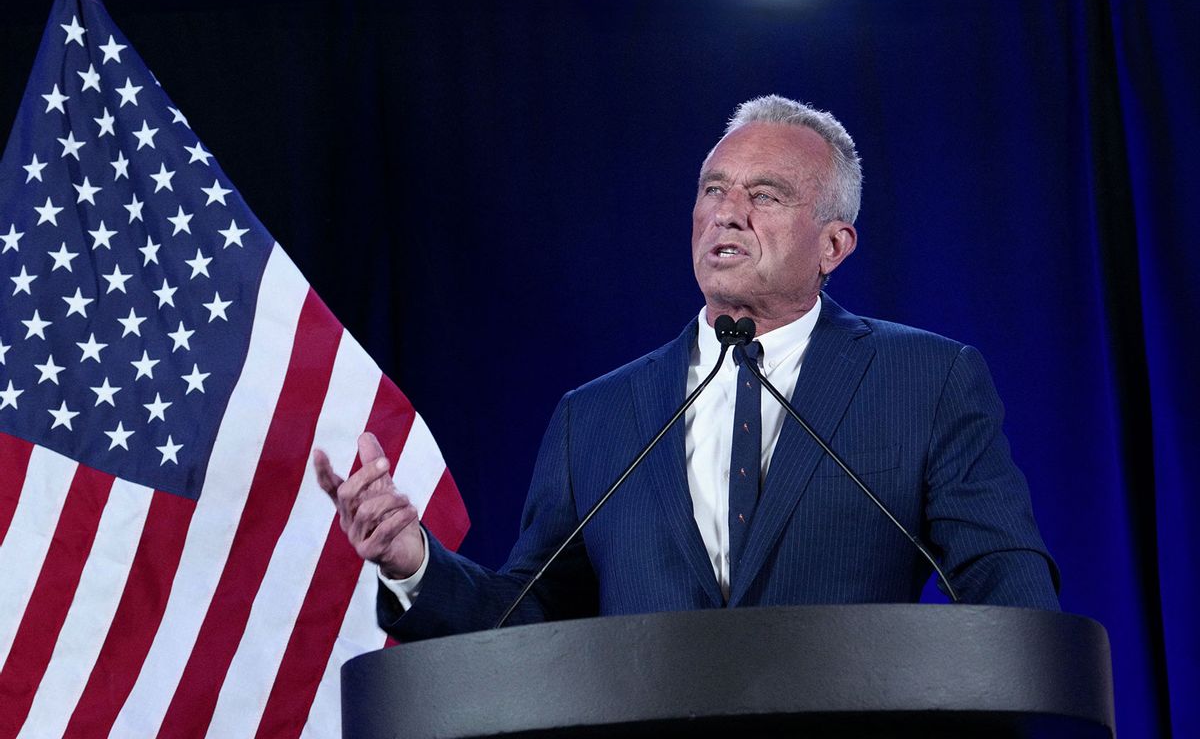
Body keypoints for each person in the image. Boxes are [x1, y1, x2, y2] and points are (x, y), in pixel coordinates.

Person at [314, 95, 1061, 641]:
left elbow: (1011, 595)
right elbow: (527, 618)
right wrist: (415, 562)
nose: (727, 213)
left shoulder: (926, 383)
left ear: (834, 246)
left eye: (765, 196)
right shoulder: (596, 416)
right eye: (713, 190)